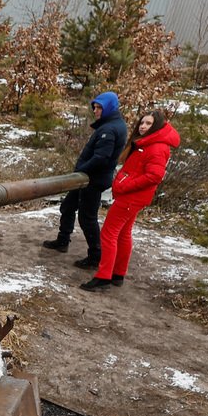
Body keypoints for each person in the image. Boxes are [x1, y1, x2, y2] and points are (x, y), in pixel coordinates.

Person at [80, 110, 179, 291]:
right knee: (123, 233)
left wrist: (125, 186)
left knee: (108, 234)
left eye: (148, 124)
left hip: (130, 198)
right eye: (142, 123)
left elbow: (154, 176)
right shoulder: (148, 144)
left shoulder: (156, 147)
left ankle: (103, 277)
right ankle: (118, 274)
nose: (143, 126)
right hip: (133, 198)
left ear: (157, 126)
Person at [43, 90, 128, 268]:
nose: (95, 111)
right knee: (67, 207)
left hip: (91, 180)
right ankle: (63, 240)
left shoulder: (110, 129)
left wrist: (81, 170)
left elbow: (101, 158)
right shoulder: (111, 125)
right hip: (85, 178)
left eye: (99, 108)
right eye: (95, 108)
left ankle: (95, 256)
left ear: (109, 108)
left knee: (87, 218)